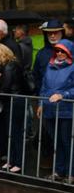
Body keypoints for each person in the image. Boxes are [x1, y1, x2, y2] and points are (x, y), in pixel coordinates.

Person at [38, 39, 74, 184]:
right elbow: (44, 86)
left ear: (69, 52)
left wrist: (63, 95)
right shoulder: (50, 65)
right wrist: (41, 103)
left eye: (63, 51)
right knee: (57, 142)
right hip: (50, 110)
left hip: (67, 111)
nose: (59, 53)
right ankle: (59, 171)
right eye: (57, 50)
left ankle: (71, 173)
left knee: (68, 142)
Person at [0, 43, 26, 173]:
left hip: (13, 101)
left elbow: (6, 86)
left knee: (14, 133)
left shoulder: (8, 66)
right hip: (16, 100)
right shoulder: (13, 64)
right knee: (13, 132)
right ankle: (13, 160)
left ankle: (17, 162)